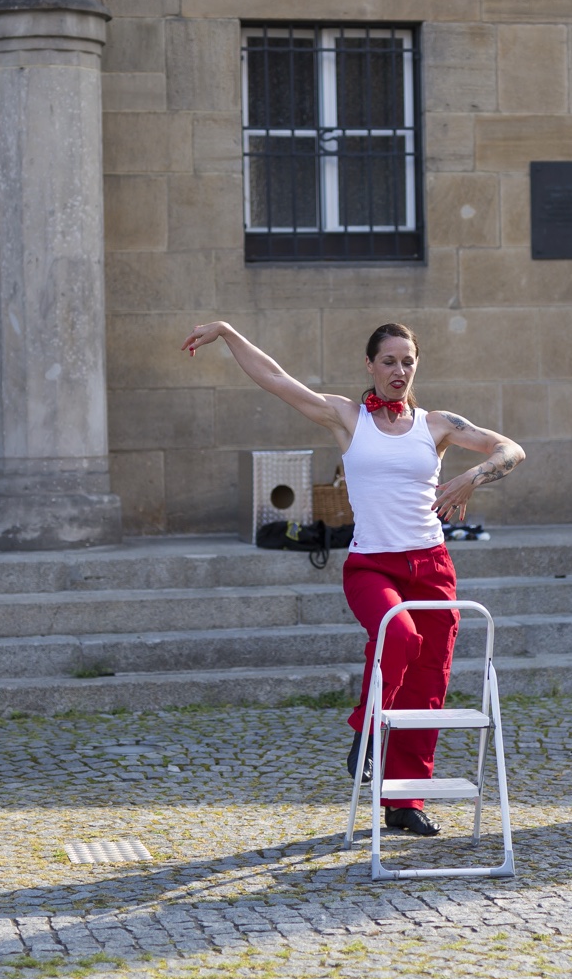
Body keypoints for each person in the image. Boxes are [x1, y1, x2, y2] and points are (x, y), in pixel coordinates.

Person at [182, 320, 524, 837]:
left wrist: (471, 476)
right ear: (370, 365)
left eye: (407, 361)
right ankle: (366, 729)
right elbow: (277, 379)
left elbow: (510, 449)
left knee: (429, 681)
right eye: (388, 361)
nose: (399, 371)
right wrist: (229, 334)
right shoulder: (347, 417)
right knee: (399, 636)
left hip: (431, 566)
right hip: (372, 565)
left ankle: (404, 800)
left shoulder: (438, 424)